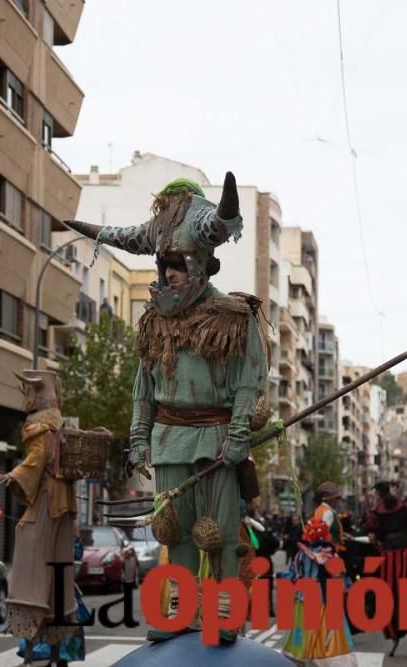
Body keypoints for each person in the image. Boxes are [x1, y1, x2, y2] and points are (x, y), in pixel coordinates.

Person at [64, 174, 268, 644]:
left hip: (218, 440)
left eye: (176, 263)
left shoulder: (235, 317)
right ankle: (177, 614)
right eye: (163, 264)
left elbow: (248, 385)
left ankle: (223, 616)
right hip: (170, 440)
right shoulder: (154, 322)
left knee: (219, 534)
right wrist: (138, 440)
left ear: (200, 262)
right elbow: (144, 390)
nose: (168, 273)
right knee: (172, 532)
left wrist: (238, 436)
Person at [0, 370, 82, 667]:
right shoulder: (59, 426)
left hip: (47, 499)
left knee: (31, 569)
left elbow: (37, 460)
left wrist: (14, 475)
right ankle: (56, 653)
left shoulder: (40, 428)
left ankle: (33, 649)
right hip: (64, 504)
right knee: (58, 578)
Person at [280, 517, 357, 666]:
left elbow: (294, 576)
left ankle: (303, 657)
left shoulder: (301, 555)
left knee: (302, 634)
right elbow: (342, 578)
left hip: (305, 599)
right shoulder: (332, 555)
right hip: (328, 600)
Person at [365, 481, 407, 657]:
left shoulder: (376, 512)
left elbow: (371, 535)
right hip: (406, 552)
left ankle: (394, 631)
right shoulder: (404, 507)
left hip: (390, 554)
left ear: (378, 494)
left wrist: (377, 545)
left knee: (389, 591)